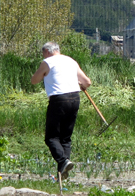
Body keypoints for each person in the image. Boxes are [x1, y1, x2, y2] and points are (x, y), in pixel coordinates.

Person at [31, 42, 92, 180]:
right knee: (65, 138)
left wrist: (44, 75)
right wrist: (78, 83)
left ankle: (63, 161)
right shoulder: (70, 61)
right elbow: (87, 82)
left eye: (43, 52)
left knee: (51, 137)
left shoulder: (47, 62)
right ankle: (63, 172)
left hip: (59, 99)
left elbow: (34, 80)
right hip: (75, 98)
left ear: (47, 51)